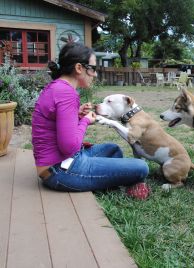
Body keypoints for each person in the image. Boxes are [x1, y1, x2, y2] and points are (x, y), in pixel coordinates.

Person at [31, 42, 149, 199]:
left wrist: (77, 115)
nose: (95, 74)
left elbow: (54, 122)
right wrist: (85, 121)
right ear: (79, 68)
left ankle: (100, 179)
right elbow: (68, 147)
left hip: (58, 164)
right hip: (60, 171)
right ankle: (100, 180)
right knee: (142, 167)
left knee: (113, 149)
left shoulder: (56, 87)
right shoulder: (67, 94)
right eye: (92, 68)